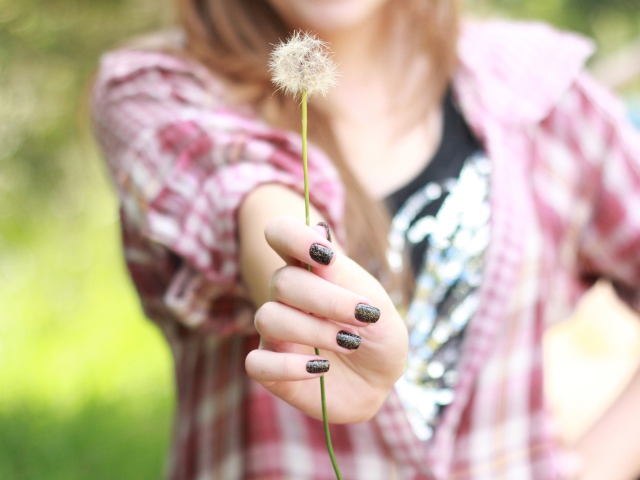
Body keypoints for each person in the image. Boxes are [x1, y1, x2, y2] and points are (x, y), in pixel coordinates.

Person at [91, 0, 640, 478]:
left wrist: (599, 465)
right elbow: (245, 190)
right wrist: (314, 300)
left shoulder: (541, 96)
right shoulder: (157, 89)